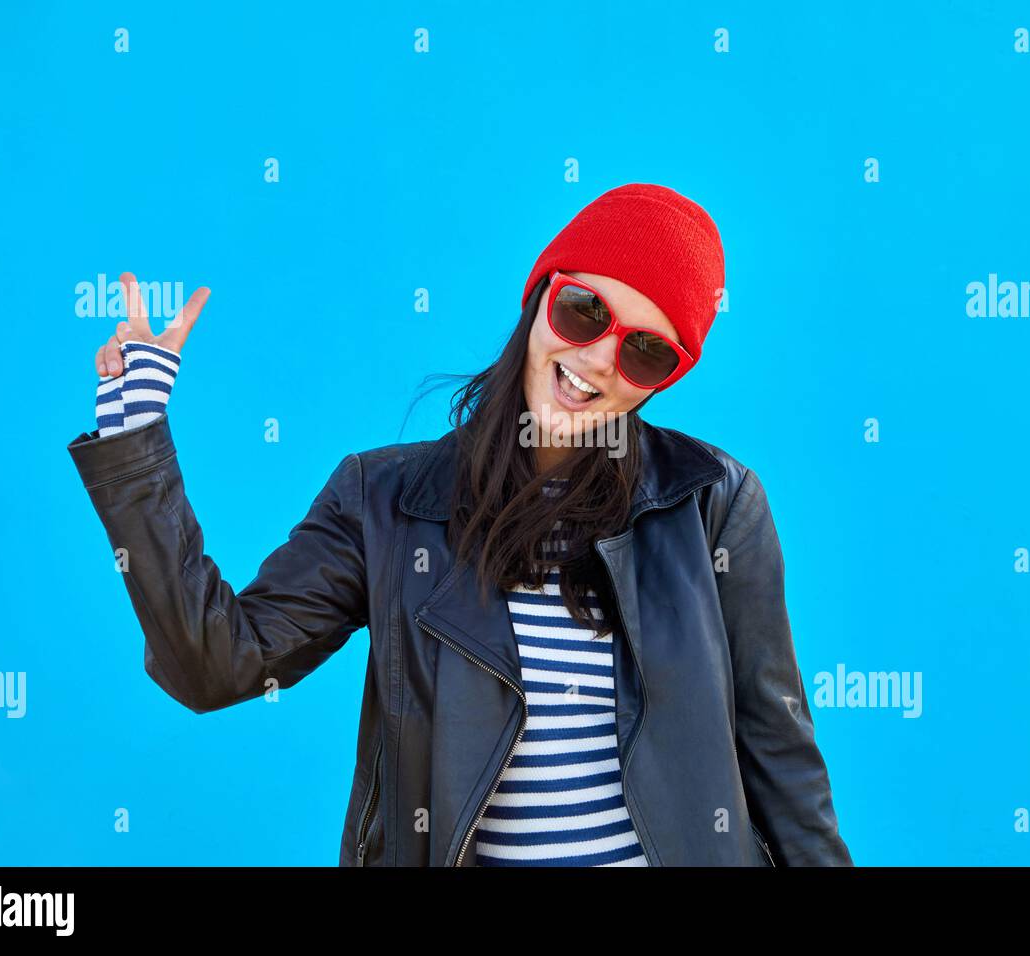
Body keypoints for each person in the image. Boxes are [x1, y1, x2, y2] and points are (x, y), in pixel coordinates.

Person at [67, 183, 854, 867]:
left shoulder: (712, 502)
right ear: (541, 294)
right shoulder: (384, 501)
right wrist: (136, 439)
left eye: (646, 352)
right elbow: (219, 665)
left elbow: (780, 761)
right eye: (584, 311)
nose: (600, 360)